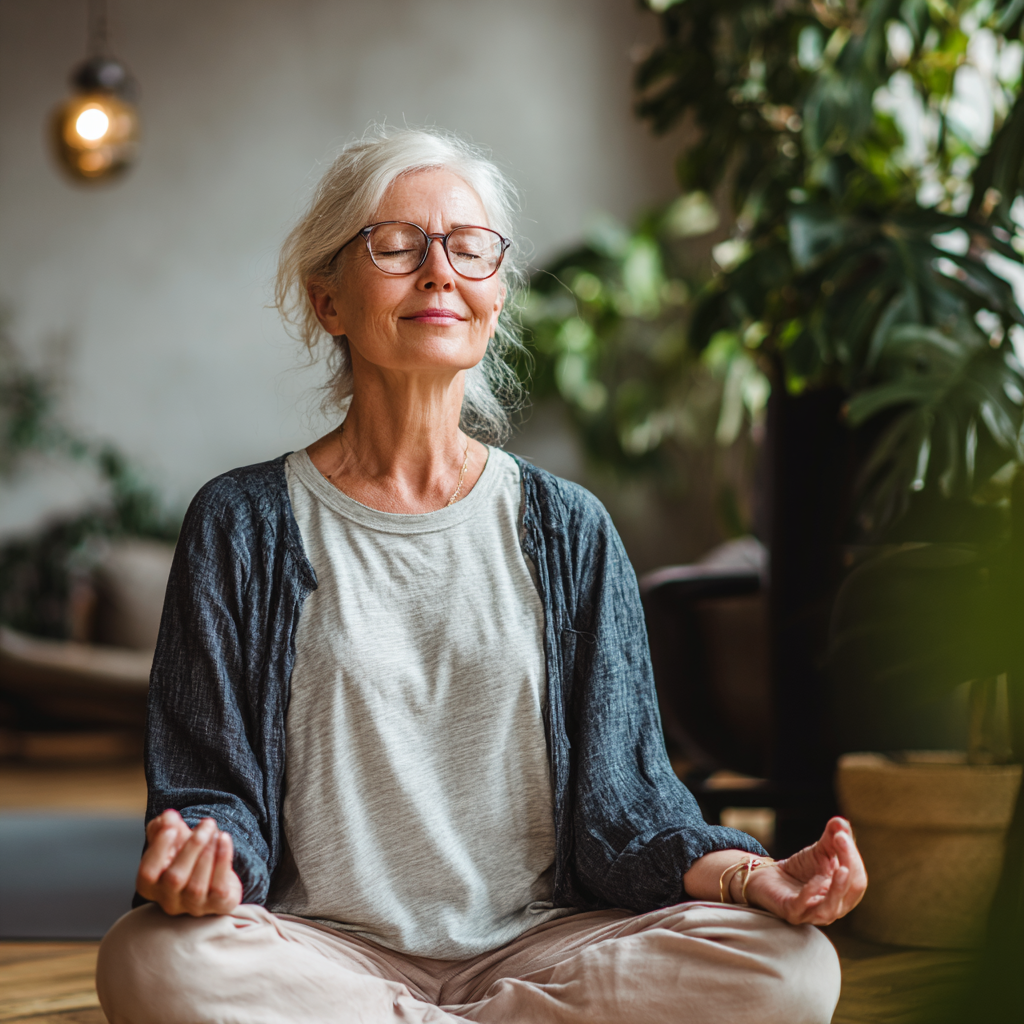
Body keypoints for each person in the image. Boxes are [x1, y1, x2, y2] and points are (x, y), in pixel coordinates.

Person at [96, 127, 864, 1024]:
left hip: (543, 944)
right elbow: (208, 792)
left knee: (793, 966)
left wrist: (755, 875)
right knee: (151, 961)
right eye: (395, 245)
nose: (438, 271)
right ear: (329, 300)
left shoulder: (567, 529)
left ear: (495, 295)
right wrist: (201, 861)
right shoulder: (241, 523)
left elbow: (630, 813)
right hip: (319, 950)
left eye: (468, 248)